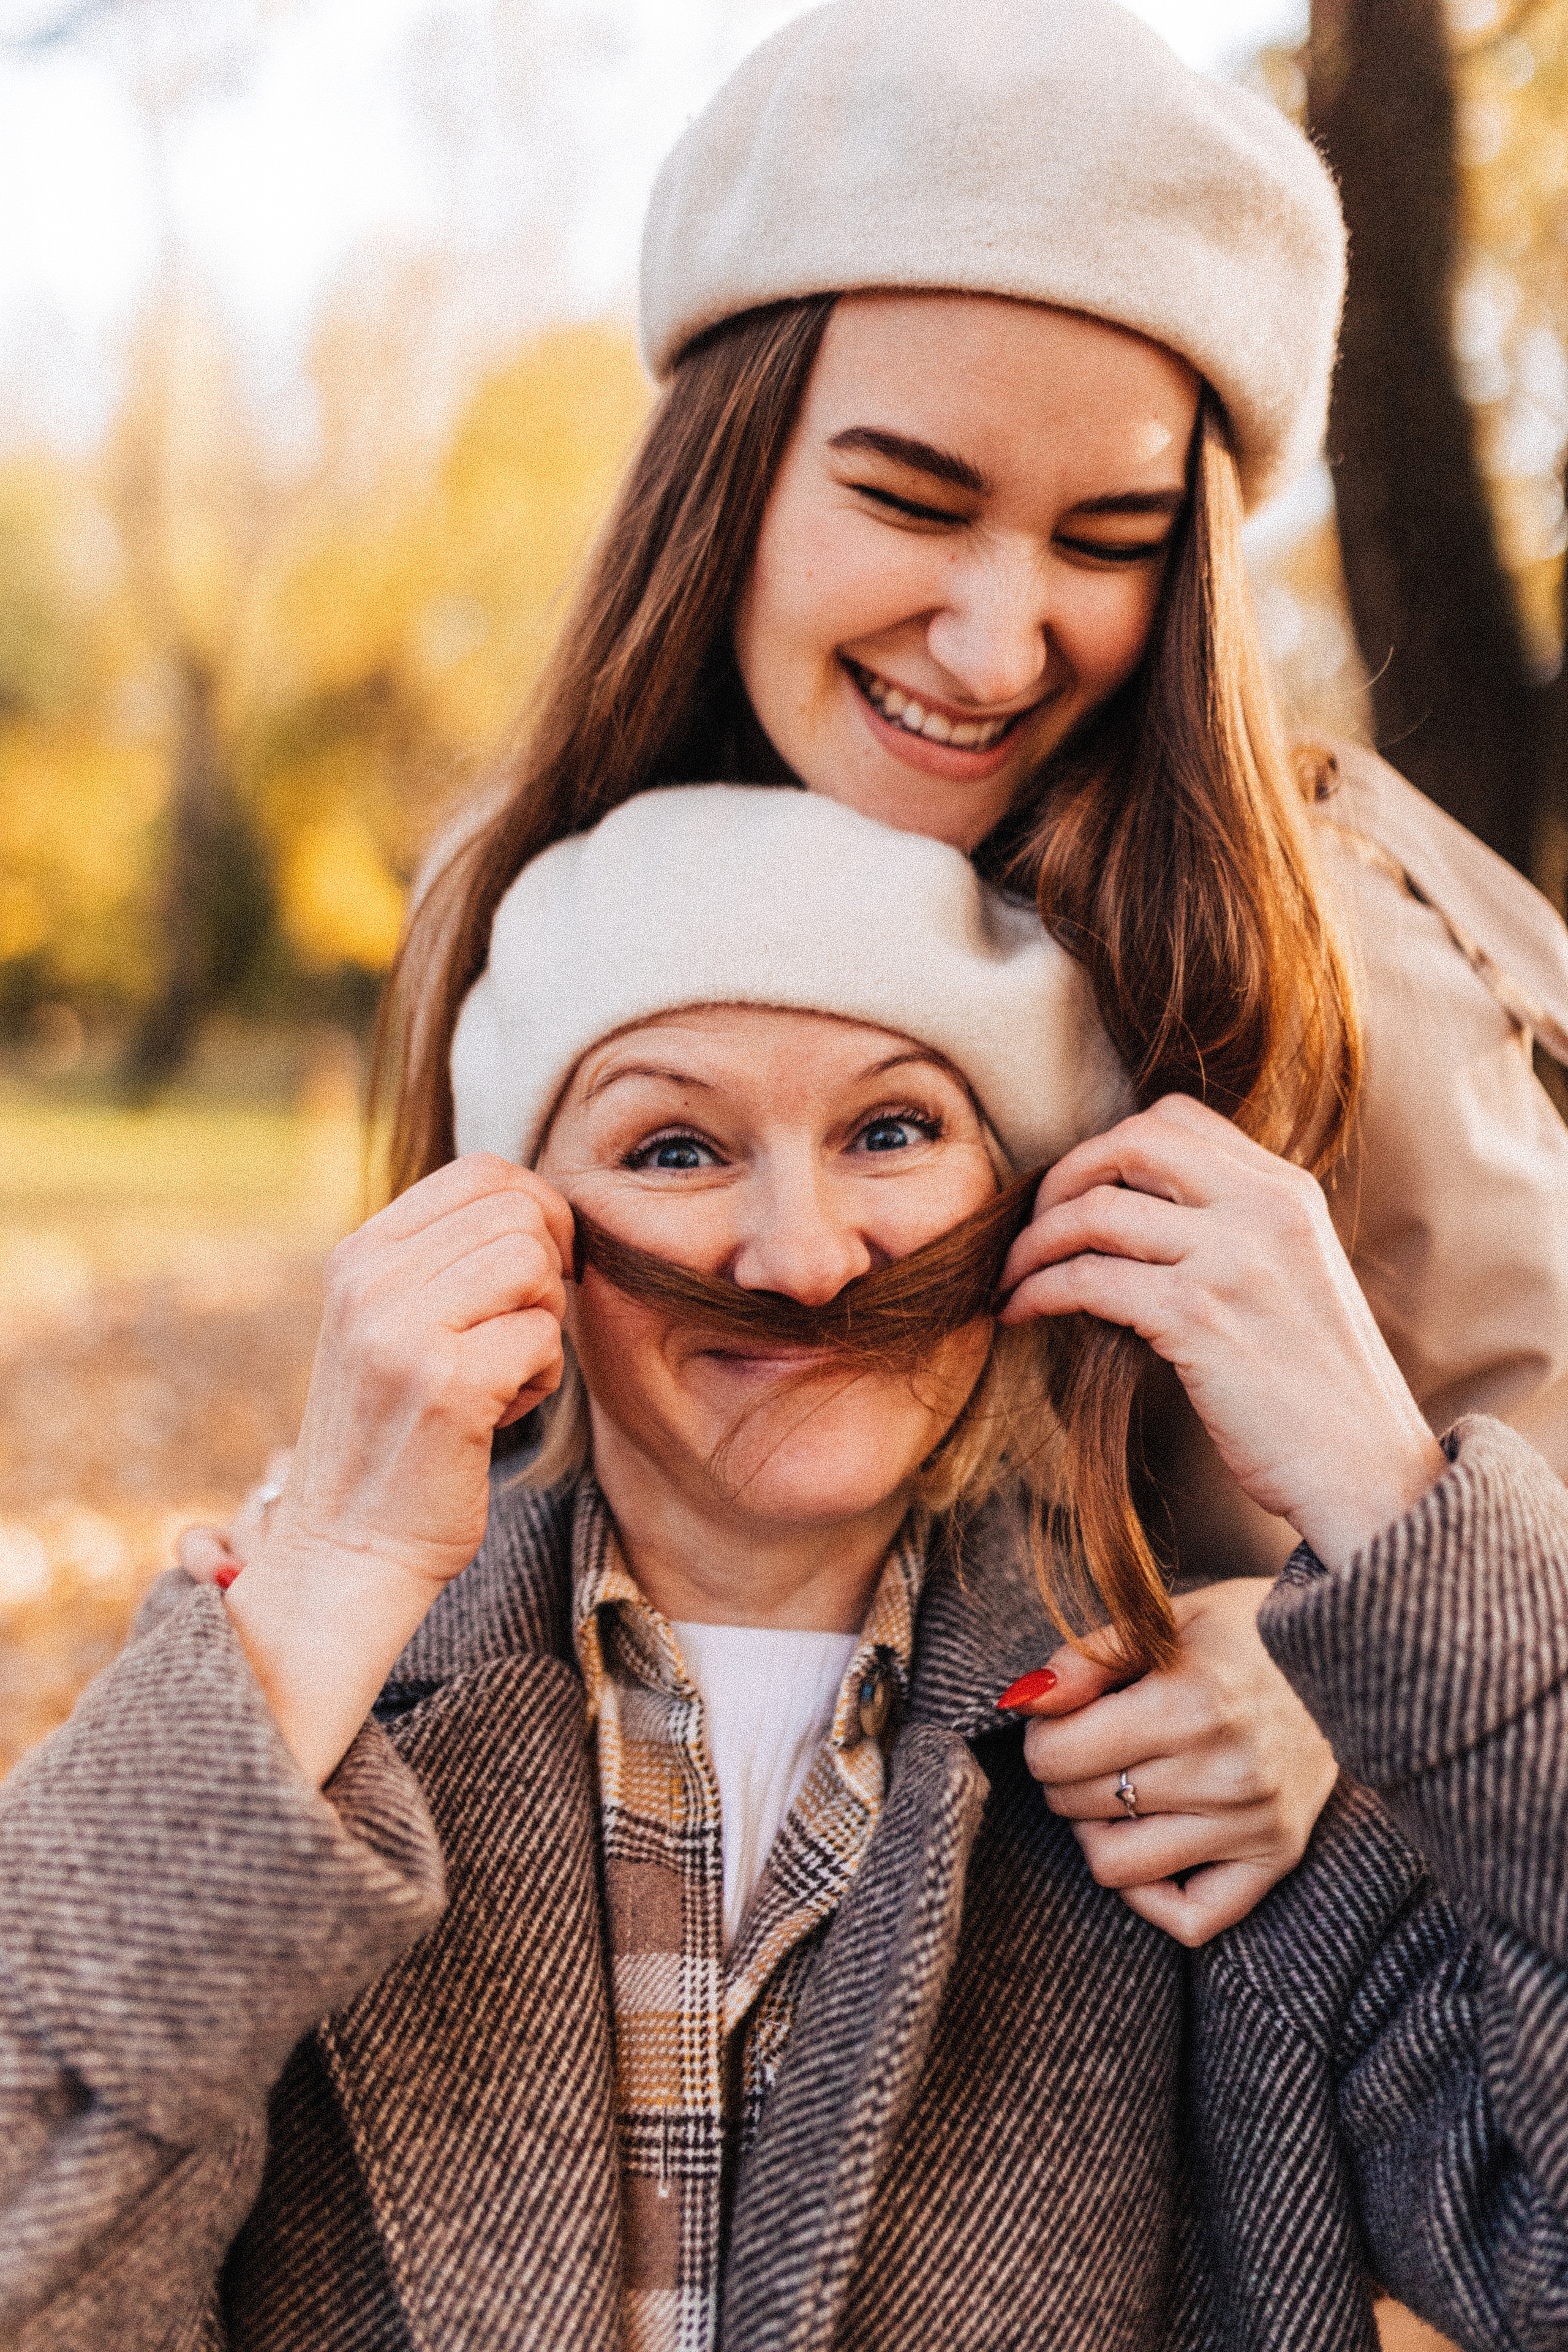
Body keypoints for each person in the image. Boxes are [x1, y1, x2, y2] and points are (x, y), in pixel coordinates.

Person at [197, 0, 1568, 1943]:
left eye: (1110, 540)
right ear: (724, 473)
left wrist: (1320, 1680)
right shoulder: (514, 896)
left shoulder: (1306, 938)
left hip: (1153, 2061)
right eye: (914, 502)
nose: (1000, 646)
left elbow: (1526, 1495)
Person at [4, 785, 1565, 2352]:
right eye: (674, 1147)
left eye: (891, 1131)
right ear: (517, 1236)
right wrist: (332, 1580)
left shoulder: (1219, 1777)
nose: (802, 1258)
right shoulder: (289, 1709)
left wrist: (1388, 1503)